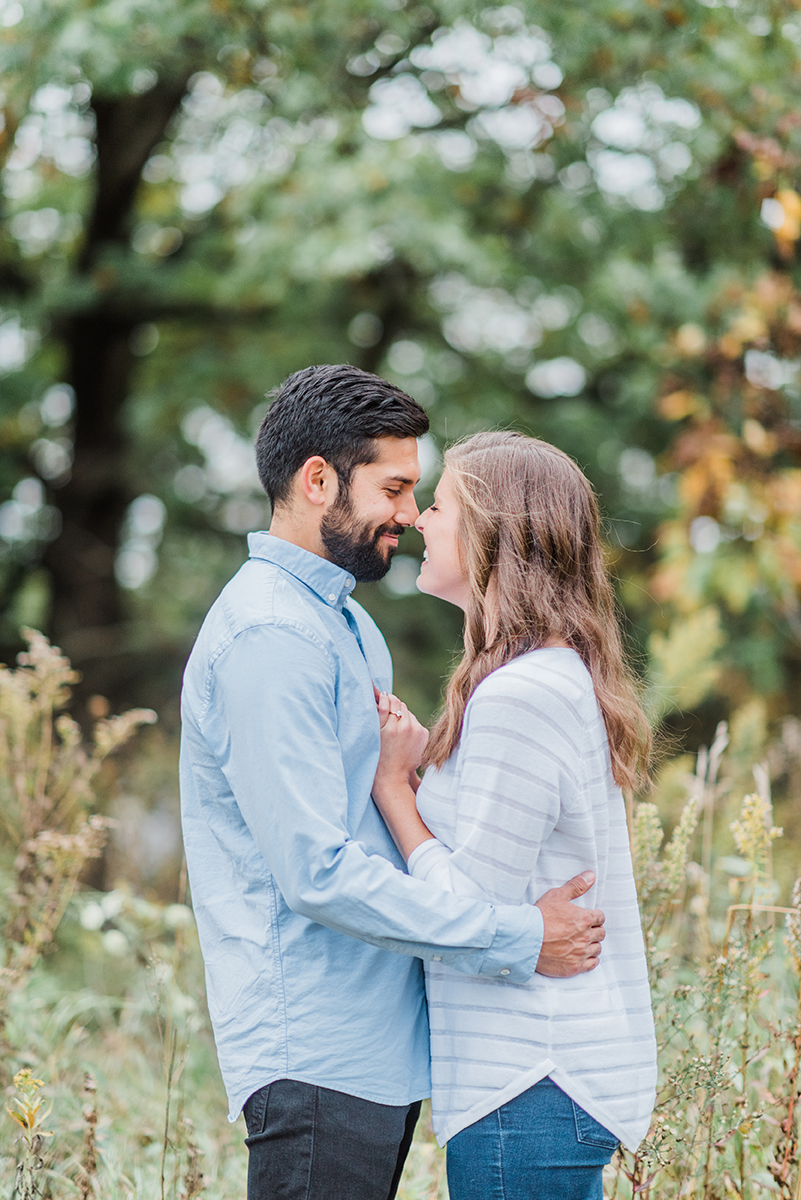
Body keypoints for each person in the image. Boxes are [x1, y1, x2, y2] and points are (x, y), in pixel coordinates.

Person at [179, 366, 607, 1200]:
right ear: (316, 480)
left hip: (375, 1051)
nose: (410, 515)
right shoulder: (269, 636)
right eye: (395, 487)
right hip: (314, 1050)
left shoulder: (344, 623)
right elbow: (314, 872)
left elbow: (377, 806)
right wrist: (518, 936)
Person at [372, 431, 657, 1200]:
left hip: (528, 1080)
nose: (419, 523)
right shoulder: (539, 679)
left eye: (437, 507)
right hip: (532, 1086)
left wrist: (396, 793)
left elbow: (469, 918)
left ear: (496, 532)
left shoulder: (522, 696)